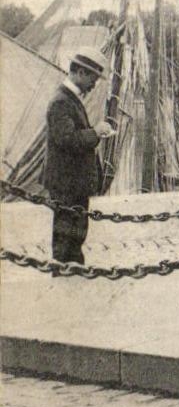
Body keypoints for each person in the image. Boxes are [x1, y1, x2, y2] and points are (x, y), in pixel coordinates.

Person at [43, 52, 114, 266]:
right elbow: (67, 139)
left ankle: (71, 276)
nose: (94, 84)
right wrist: (96, 132)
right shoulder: (62, 102)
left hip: (72, 183)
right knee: (66, 243)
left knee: (74, 240)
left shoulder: (68, 99)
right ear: (80, 72)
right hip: (67, 184)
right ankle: (65, 284)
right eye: (92, 78)